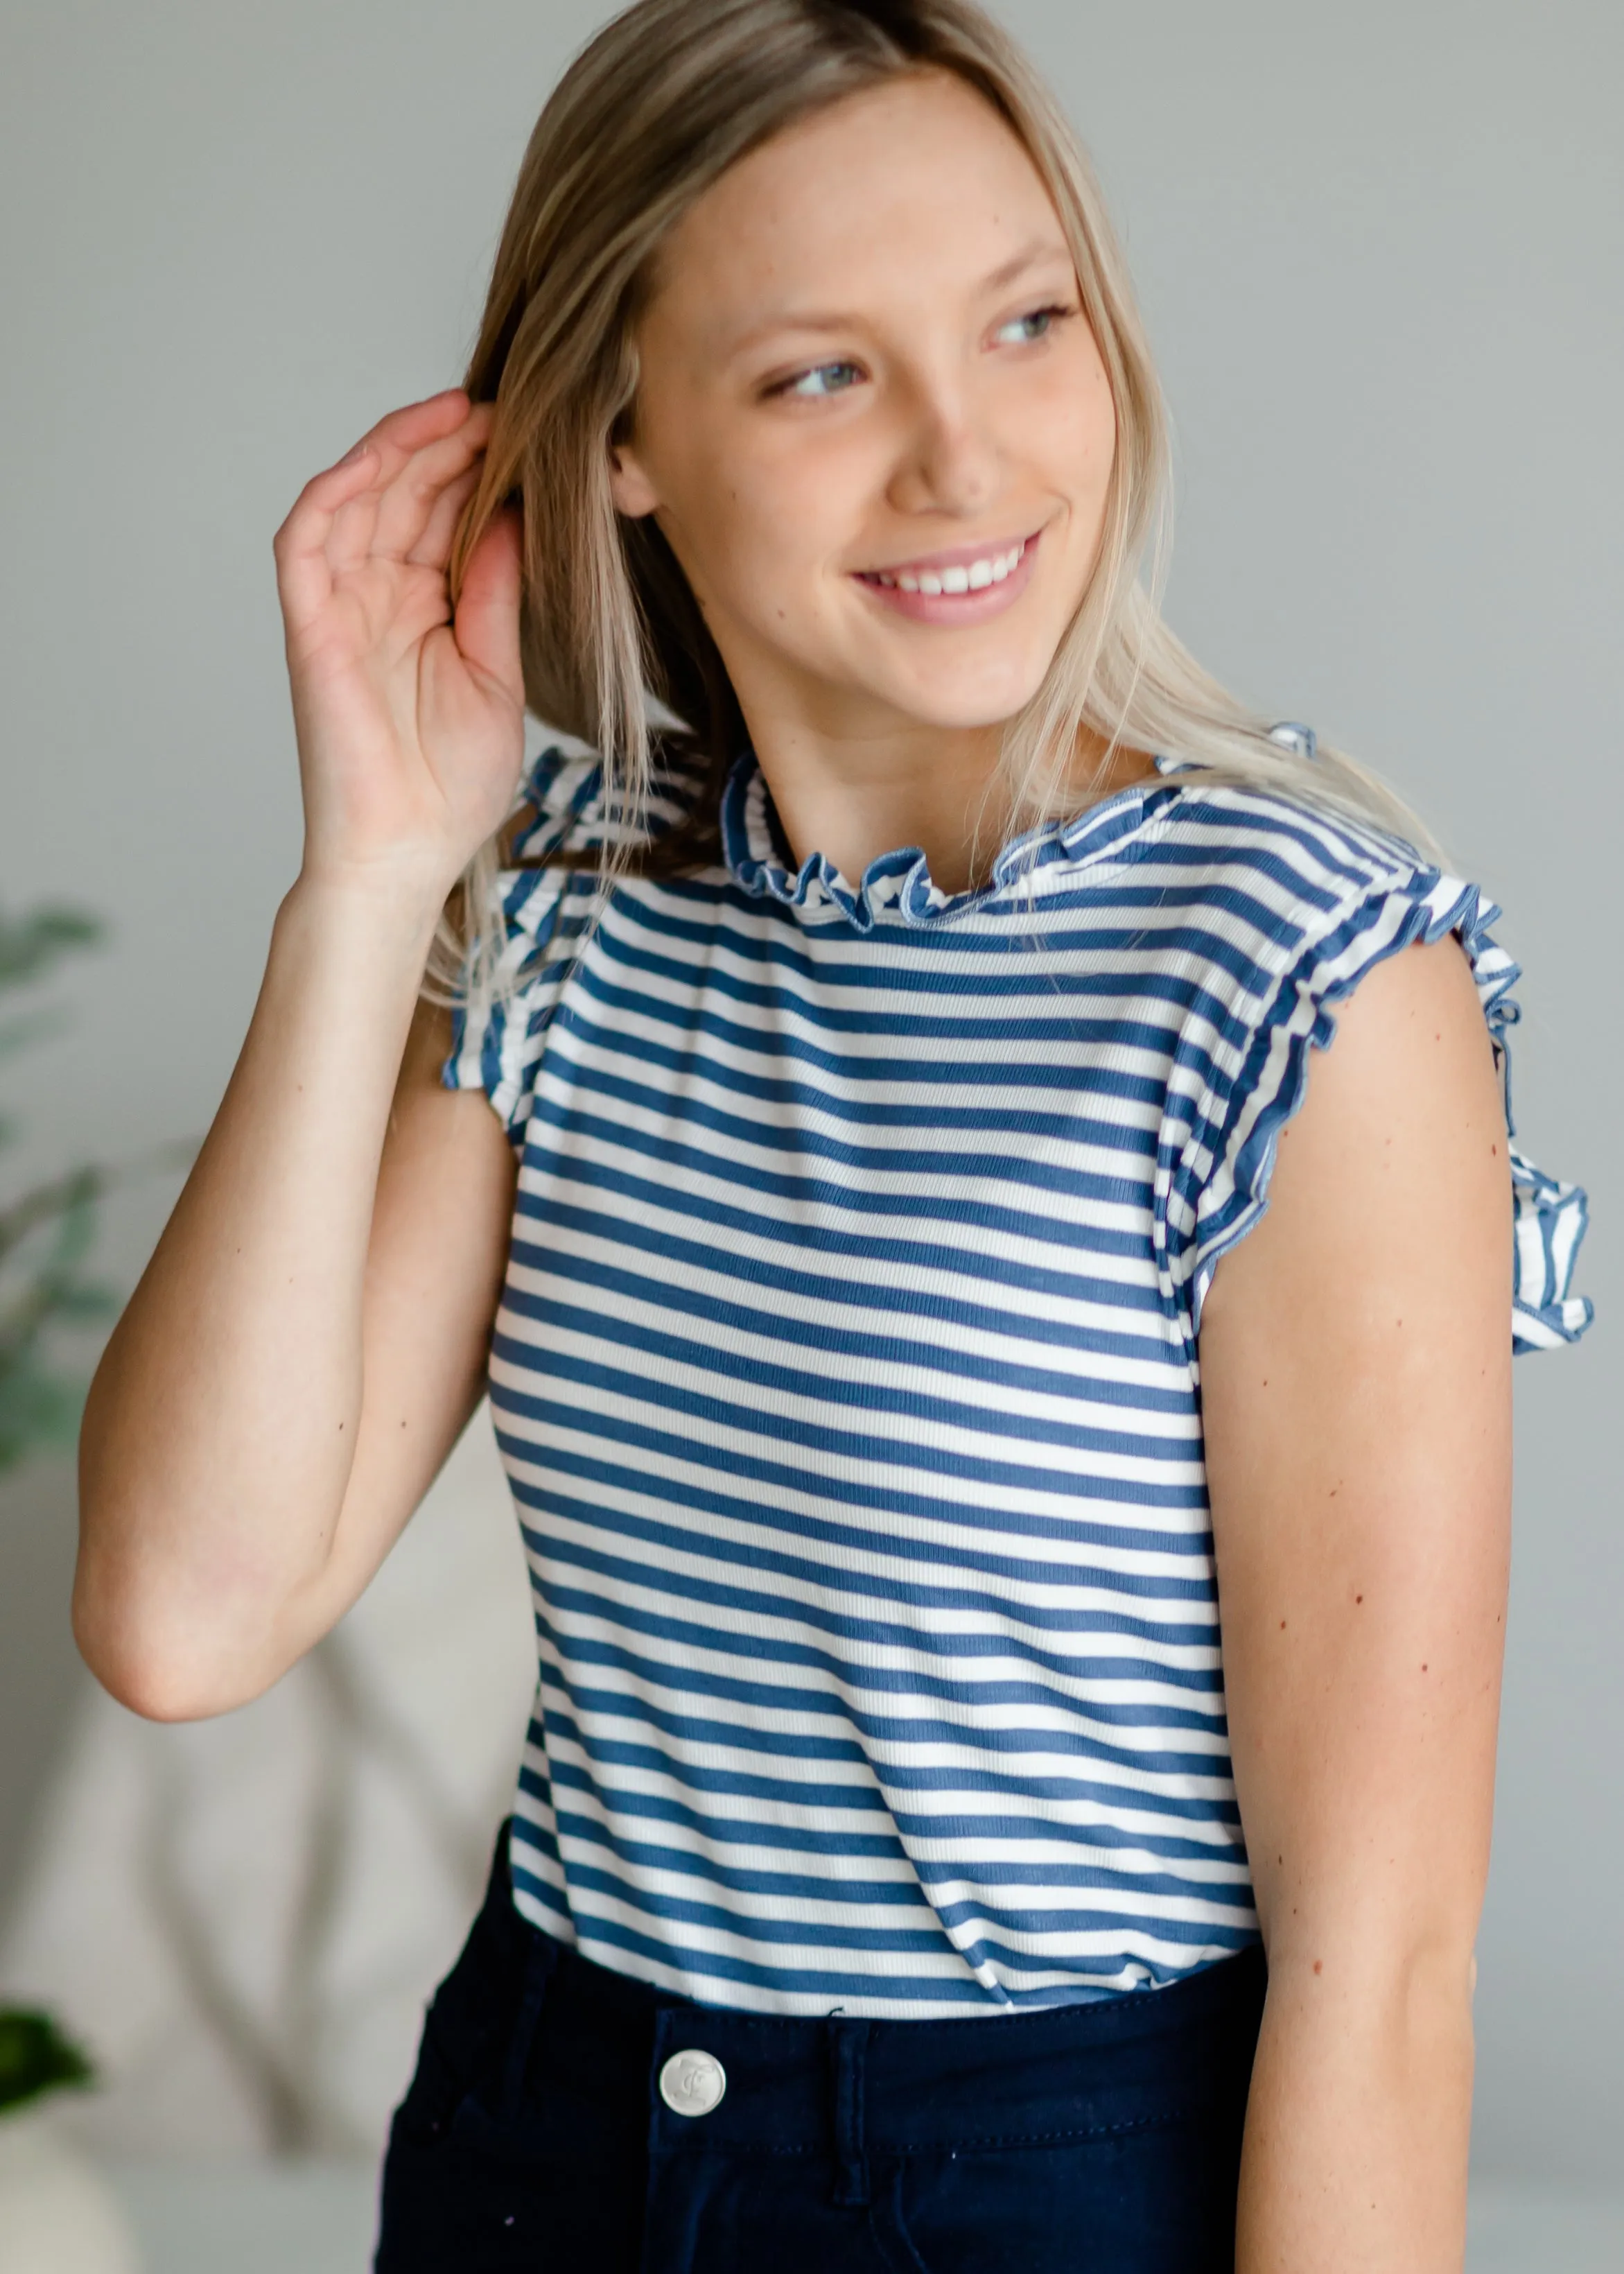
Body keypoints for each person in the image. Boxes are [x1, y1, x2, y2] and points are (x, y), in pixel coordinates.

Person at [74, 1, 1591, 2266]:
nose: (965, 464)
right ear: (618, 440)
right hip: (537, 2138)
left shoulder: (1289, 977)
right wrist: (376, 872)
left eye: (1024, 322)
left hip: (1043, 2182)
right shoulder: (557, 906)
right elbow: (188, 1613)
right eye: (820, 374)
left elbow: (1380, 1974)